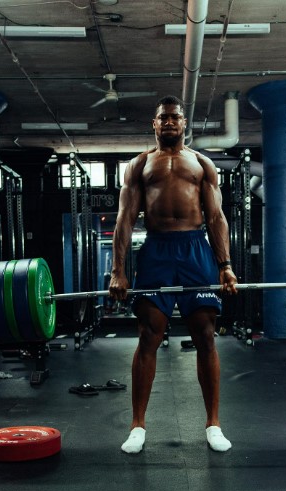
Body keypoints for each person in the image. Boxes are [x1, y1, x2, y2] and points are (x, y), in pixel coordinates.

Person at [109, 95, 238, 454]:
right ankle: (138, 426)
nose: (169, 122)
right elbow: (125, 219)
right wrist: (118, 271)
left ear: (184, 124)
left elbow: (216, 218)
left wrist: (225, 266)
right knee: (149, 333)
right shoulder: (139, 165)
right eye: (163, 118)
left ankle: (213, 424)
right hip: (157, 250)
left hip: (195, 249)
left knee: (206, 334)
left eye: (174, 118)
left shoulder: (201, 164)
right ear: (154, 124)